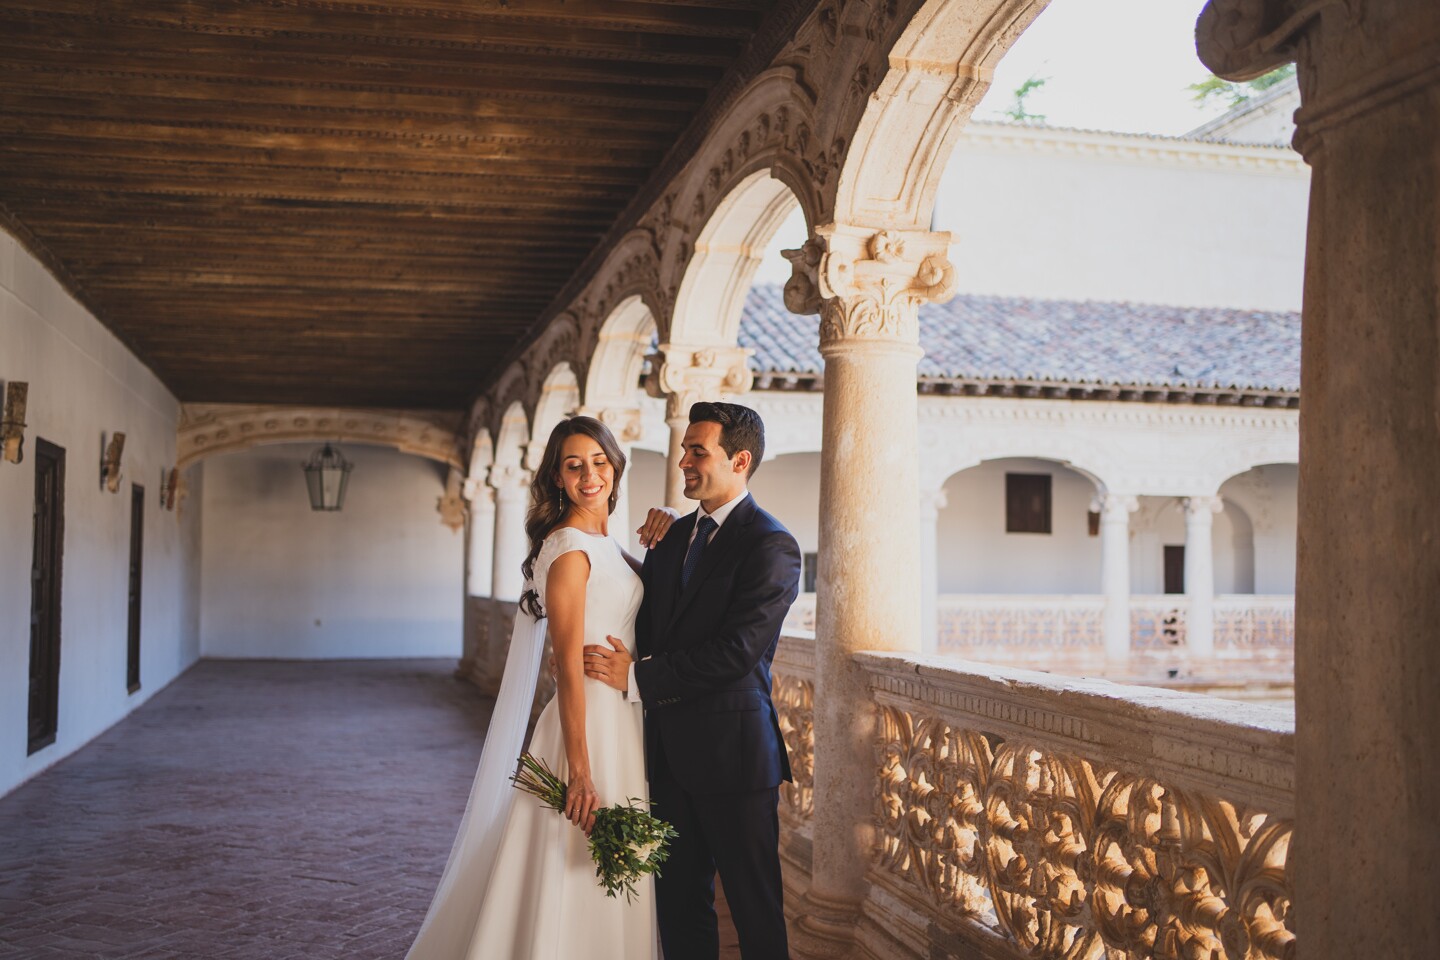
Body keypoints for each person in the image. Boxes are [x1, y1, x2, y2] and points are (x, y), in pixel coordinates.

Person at [406, 415, 675, 960]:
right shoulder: (570, 550)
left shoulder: (601, 542)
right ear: (557, 477)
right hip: (586, 727)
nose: (589, 474)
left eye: (599, 462)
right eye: (573, 466)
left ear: (616, 467)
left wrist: (668, 520)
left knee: (604, 862)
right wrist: (580, 771)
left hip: (622, 715)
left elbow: (637, 585)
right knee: (566, 860)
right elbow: (566, 666)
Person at [585, 401, 802, 960]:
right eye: (684, 448)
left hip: (735, 758)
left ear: (740, 460)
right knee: (679, 908)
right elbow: (650, 613)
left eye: (696, 451)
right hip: (666, 755)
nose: (683, 460)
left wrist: (637, 678)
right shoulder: (674, 535)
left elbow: (737, 652)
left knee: (755, 913)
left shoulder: (772, 545)